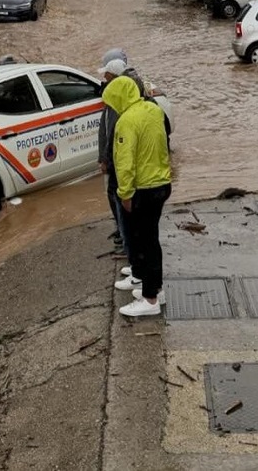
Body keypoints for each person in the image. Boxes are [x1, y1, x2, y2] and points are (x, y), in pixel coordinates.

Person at [104, 75, 172, 318]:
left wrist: (125, 194)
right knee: (151, 240)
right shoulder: (154, 110)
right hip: (162, 183)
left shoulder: (126, 122)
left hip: (142, 190)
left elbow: (124, 164)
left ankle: (150, 299)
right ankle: (155, 289)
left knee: (143, 243)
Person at [98, 49, 142, 256]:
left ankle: (127, 243)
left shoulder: (118, 99)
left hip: (117, 162)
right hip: (116, 161)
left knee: (119, 197)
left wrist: (105, 159)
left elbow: (112, 132)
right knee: (119, 197)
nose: (103, 78)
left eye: (105, 75)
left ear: (113, 76)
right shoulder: (123, 95)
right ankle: (126, 238)